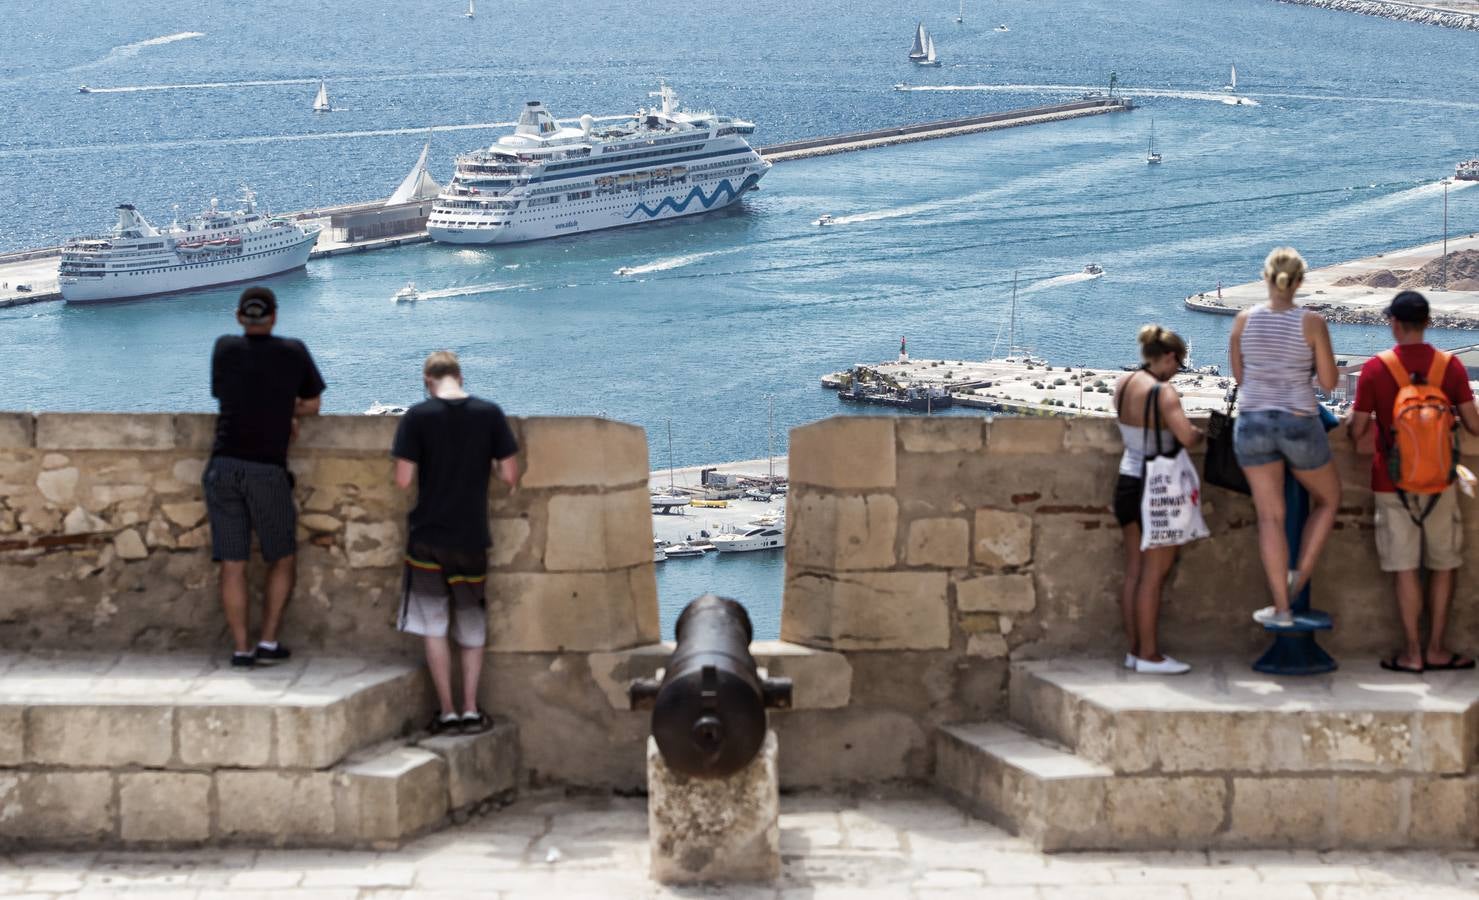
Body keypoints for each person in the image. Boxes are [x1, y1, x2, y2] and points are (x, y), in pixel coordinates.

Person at [1347, 291, 1479, 673]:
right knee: (1443, 565)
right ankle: (1438, 648)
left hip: (1392, 485)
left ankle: (1412, 653)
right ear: (1427, 322)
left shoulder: (1375, 369)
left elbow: (1357, 431)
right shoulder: (1449, 367)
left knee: (1405, 568)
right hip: (1440, 483)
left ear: (1393, 323)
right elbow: (1472, 424)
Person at [392, 351, 520, 734]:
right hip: (470, 537)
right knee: (471, 626)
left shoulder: (417, 417)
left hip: (427, 538)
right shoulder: (489, 414)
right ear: (460, 377)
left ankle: (446, 711)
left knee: (434, 627)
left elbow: (402, 479)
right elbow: (510, 473)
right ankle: (470, 708)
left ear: (427, 381)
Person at [204, 286, 324, 668]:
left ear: (240, 317)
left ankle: (241, 649)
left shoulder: (224, 348)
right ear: (274, 316)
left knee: (232, 563)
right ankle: (268, 642)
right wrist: (285, 410)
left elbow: (228, 395)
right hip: (266, 469)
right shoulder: (292, 351)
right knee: (282, 556)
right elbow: (313, 405)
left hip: (222, 467)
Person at [1228, 247, 1340, 628]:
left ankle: (1281, 609)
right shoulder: (1311, 322)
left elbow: (1241, 377)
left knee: (1270, 517)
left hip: (1253, 422)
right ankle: (1299, 578)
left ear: (1265, 278)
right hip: (1298, 421)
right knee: (1328, 499)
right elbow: (1328, 382)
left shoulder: (1243, 320)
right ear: (1300, 281)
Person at [1113, 325, 1204, 675]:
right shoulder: (1163, 392)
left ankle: (1133, 650)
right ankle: (1150, 655)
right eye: (1179, 363)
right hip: (1156, 489)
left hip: (1127, 480)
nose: (1178, 369)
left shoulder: (1124, 384)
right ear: (1167, 357)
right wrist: (1199, 433)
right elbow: (1186, 435)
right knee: (1154, 574)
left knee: (1133, 572)